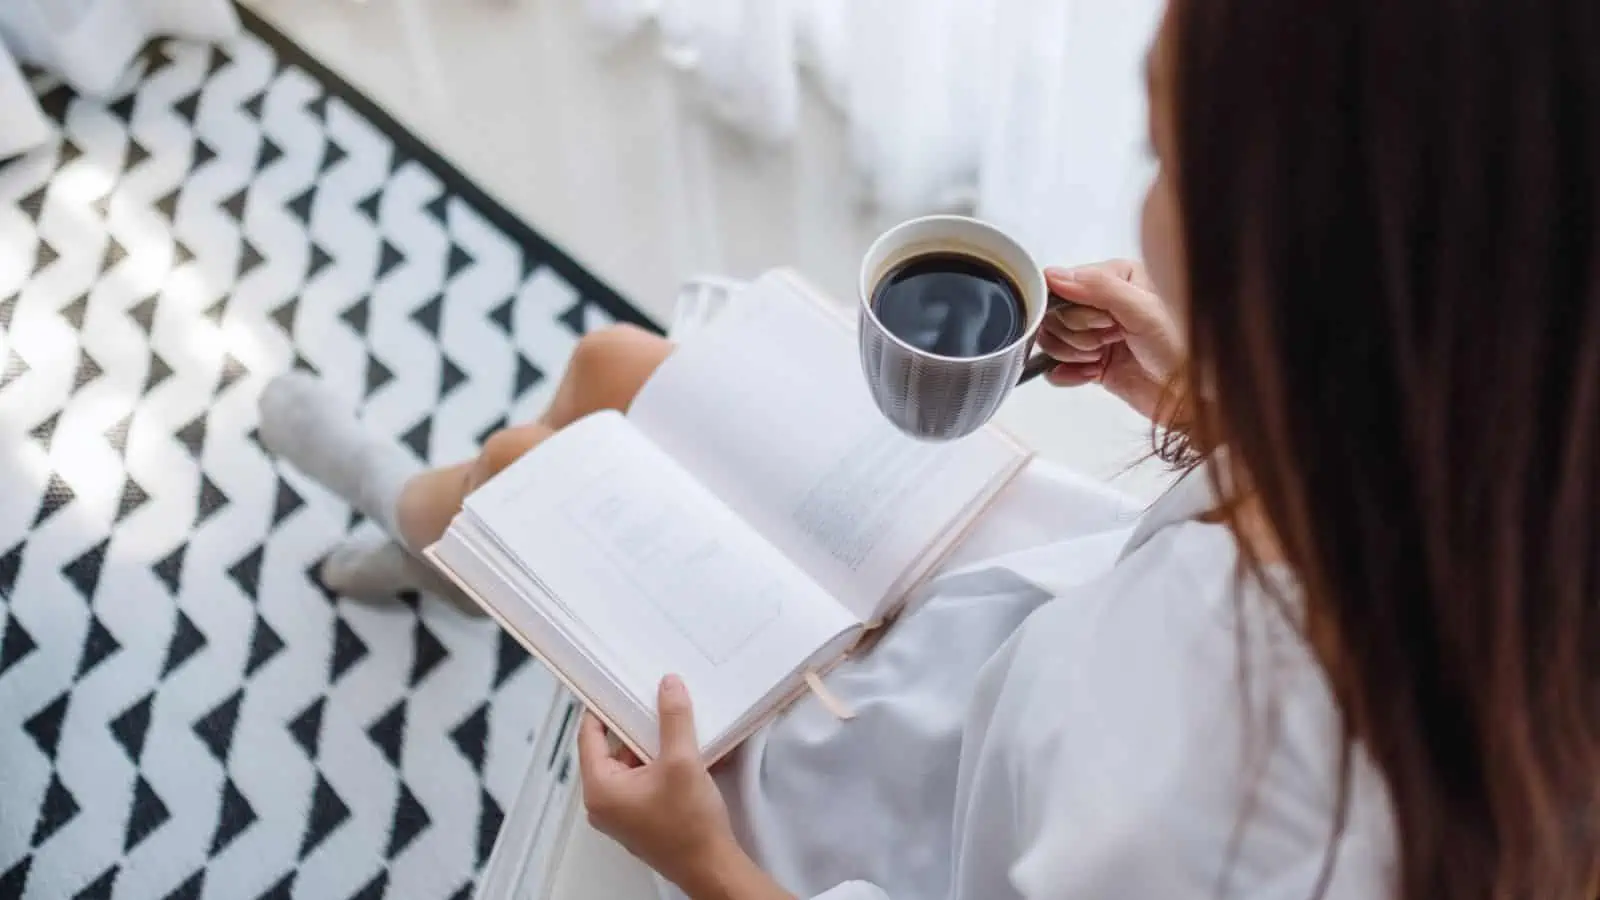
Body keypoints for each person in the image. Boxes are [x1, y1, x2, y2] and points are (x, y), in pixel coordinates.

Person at [262, 0, 1600, 897]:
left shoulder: (1219, 781)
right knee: (610, 372)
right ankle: (439, 528)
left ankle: (425, 514)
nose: (1141, 188)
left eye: (1164, 148)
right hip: (1016, 639)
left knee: (530, 465)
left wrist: (700, 861)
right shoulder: (1509, 500)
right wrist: (1221, 413)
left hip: (884, 825)